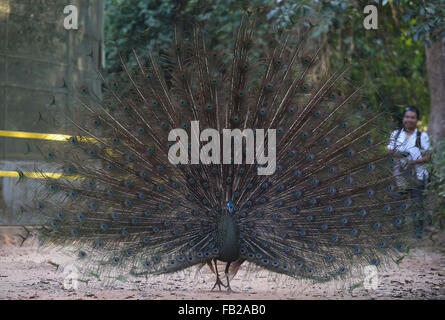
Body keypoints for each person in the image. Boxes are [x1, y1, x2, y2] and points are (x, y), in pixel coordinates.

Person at [387, 106, 431, 238]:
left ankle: (418, 235)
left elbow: (428, 156)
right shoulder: (395, 134)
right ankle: (397, 232)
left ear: (417, 120)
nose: (409, 120)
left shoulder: (422, 136)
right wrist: (400, 155)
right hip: (400, 175)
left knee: (418, 204)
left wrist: (411, 162)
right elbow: (389, 151)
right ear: (403, 118)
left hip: (418, 175)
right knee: (397, 202)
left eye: (412, 117)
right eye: (407, 117)